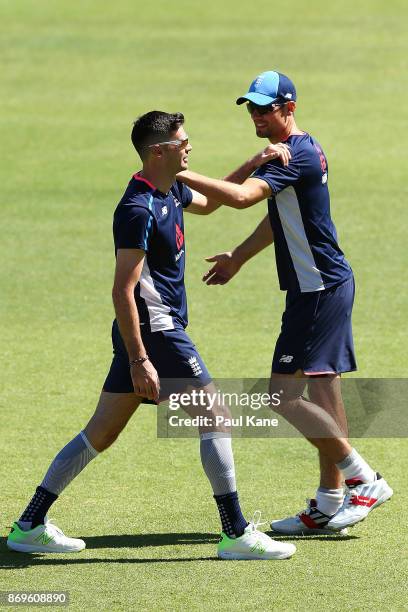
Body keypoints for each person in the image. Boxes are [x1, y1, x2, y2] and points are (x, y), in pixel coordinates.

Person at [7, 110, 296, 560]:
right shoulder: (137, 208)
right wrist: (141, 358)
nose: (189, 146)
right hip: (155, 333)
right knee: (215, 417)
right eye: (183, 141)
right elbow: (123, 288)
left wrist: (255, 162)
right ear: (158, 150)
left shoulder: (169, 188)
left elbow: (213, 202)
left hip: (143, 335)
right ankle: (236, 533)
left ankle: (28, 525)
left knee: (101, 432)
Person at [177, 72, 393, 535]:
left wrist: (172, 169)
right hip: (316, 287)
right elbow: (279, 220)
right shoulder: (292, 152)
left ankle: (365, 479)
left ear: (288, 108)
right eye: (251, 108)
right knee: (322, 394)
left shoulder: (290, 157)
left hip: (318, 290)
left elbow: (237, 199)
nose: (256, 115)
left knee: (281, 394)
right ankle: (330, 499)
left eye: (265, 108)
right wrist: (238, 256)